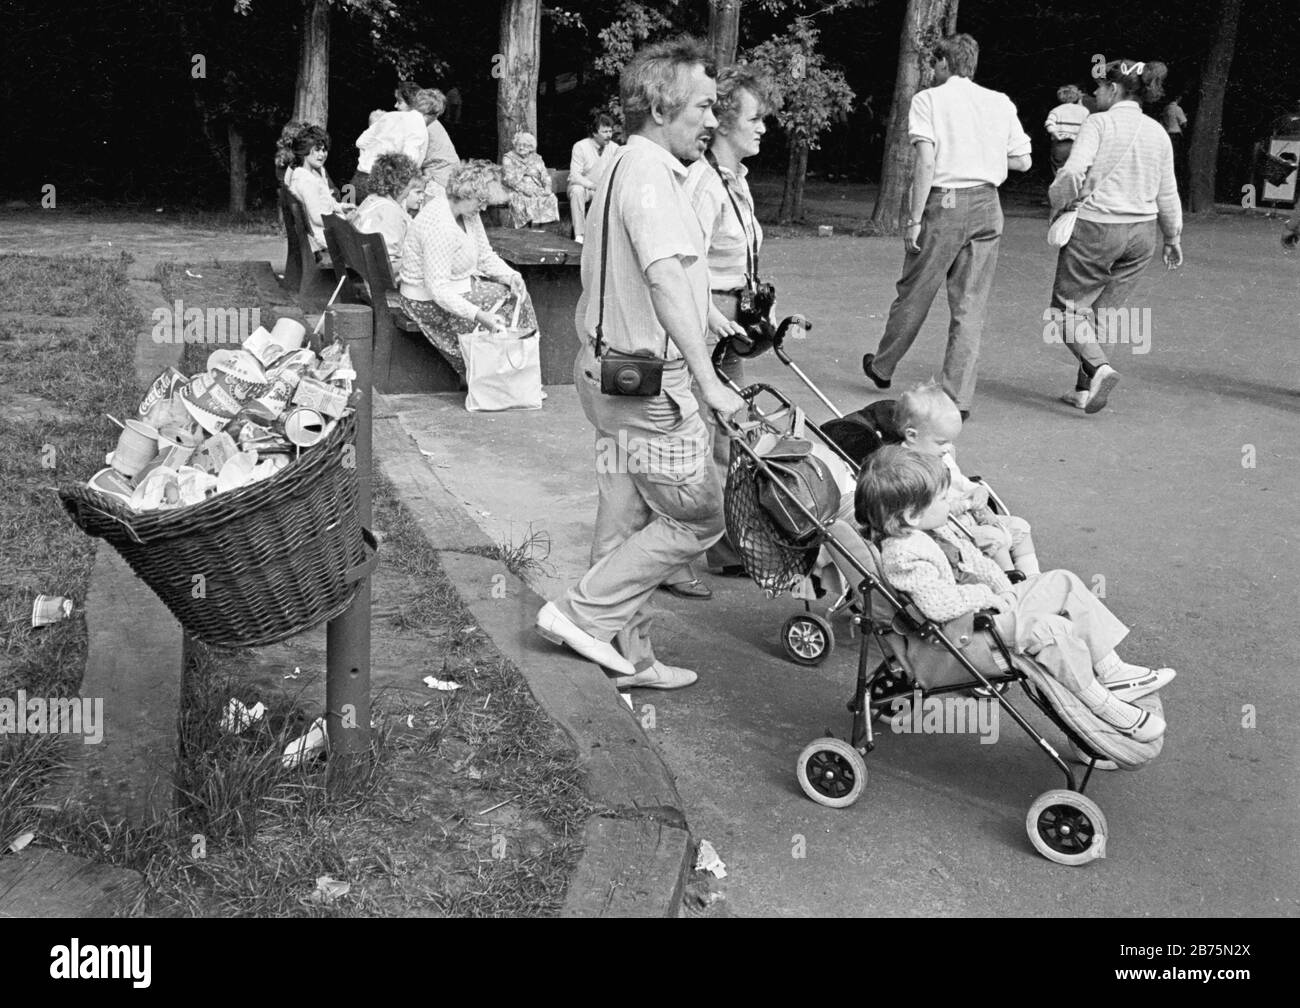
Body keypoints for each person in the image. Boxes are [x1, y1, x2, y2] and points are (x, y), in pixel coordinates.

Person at [533, 35, 746, 691]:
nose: (715, 120)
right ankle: (580, 615)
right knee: (697, 517)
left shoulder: (626, 163)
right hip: (648, 388)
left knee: (626, 514)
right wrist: (710, 381)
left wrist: (707, 314)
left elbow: (654, 270)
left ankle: (631, 658)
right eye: (705, 106)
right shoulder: (652, 174)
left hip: (606, 373)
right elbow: (658, 275)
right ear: (660, 106)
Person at [858, 446, 1173, 741]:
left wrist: (1003, 588)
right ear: (912, 515)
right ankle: (1104, 705)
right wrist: (989, 596)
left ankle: (1112, 671)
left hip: (985, 611)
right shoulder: (904, 555)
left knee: (1062, 581)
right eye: (942, 498)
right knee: (1051, 630)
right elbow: (940, 606)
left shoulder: (922, 525)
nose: (947, 503)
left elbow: (967, 552)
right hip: (963, 634)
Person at [862, 34, 1032, 420]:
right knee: (970, 305)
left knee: (916, 291)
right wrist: (985, 152)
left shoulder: (928, 100)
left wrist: (915, 217)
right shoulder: (1000, 102)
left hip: (946, 201)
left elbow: (925, 162)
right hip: (988, 204)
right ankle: (958, 397)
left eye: (934, 63)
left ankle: (883, 366)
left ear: (943, 63)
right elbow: (1022, 160)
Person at [661, 63, 774, 600]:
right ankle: (672, 552)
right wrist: (709, 312)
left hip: (732, 321)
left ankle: (728, 545)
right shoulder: (704, 184)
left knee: (732, 435)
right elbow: (686, 263)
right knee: (691, 440)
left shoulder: (737, 181)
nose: (763, 128)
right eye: (755, 118)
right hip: (706, 320)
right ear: (725, 122)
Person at [1048, 59, 1182, 414]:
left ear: (1114, 89)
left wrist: (1058, 202)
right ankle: (1083, 390)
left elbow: (1073, 172)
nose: (1093, 93)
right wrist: (1173, 237)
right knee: (1102, 315)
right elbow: (1168, 191)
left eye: (1098, 87)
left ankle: (1100, 369)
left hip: (1097, 227)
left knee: (1066, 312)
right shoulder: (1156, 132)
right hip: (1143, 235)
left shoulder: (1099, 123)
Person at [397, 160, 537, 375]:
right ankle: (502, 377)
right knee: (507, 304)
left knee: (516, 294)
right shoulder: (439, 225)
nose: (483, 207)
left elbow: (485, 256)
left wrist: (510, 276)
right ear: (464, 194)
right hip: (425, 302)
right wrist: (479, 315)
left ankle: (513, 376)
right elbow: (438, 289)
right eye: (480, 201)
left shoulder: (467, 213)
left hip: (450, 290)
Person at [893, 381, 1038, 576]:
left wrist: (978, 490)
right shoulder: (907, 470)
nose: (947, 448)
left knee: (1020, 527)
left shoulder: (941, 456)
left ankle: (1032, 577)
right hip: (944, 529)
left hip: (967, 518)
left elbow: (961, 482)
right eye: (942, 442)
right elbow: (924, 512)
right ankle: (1012, 582)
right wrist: (967, 504)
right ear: (912, 435)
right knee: (995, 538)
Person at [351, 84, 429, 201]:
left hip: (359, 179)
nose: (395, 105)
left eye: (399, 102)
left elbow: (360, 142)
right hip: (380, 186)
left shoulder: (388, 117)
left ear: (412, 103)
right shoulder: (417, 125)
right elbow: (410, 162)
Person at [285, 125, 354, 258]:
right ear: (305, 151)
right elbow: (317, 218)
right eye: (317, 150)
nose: (322, 155)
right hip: (322, 236)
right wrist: (344, 222)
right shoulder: (306, 179)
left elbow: (324, 202)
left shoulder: (314, 173)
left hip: (324, 231)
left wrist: (341, 208)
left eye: (324, 150)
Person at [350, 152, 421, 274]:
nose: (409, 191)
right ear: (399, 184)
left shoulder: (370, 200)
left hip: (367, 272)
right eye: (409, 185)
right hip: (387, 284)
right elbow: (388, 267)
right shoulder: (390, 213)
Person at [568, 114, 621, 243]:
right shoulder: (580, 147)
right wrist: (593, 186)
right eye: (604, 131)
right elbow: (575, 175)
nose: (609, 135)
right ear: (594, 133)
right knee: (577, 191)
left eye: (610, 131)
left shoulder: (615, 148)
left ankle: (611, 238)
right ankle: (580, 235)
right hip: (585, 187)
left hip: (602, 189)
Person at [502, 131, 560, 228]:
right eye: (518, 145)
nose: (521, 148)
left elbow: (545, 176)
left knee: (550, 198)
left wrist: (547, 188)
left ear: (530, 147)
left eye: (525, 145)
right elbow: (508, 179)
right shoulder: (508, 158)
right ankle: (525, 231)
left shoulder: (537, 158)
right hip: (516, 189)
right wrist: (524, 189)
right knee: (522, 200)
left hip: (536, 189)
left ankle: (541, 230)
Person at [415, 88, 460, 198]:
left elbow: (414, 159)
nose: (396, 106)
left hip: (440, 176)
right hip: (446, 173)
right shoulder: (427, 123)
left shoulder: (422, 124)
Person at [1046, 84, 1090, 175]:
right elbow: (1088, 128)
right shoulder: (1084, 111)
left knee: (1059, 170)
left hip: (1060, 145)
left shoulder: (1056, 110)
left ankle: (1060, 187)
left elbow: (1049, 124)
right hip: (1078, 145)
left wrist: (1055, 134)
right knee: (1077, 170)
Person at [1161, 94, 1189, 199]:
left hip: (1168, 133)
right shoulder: (1177, 109)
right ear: (1178, 98)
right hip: (1176, 134)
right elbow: (1184, 122)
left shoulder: (1166, 108)